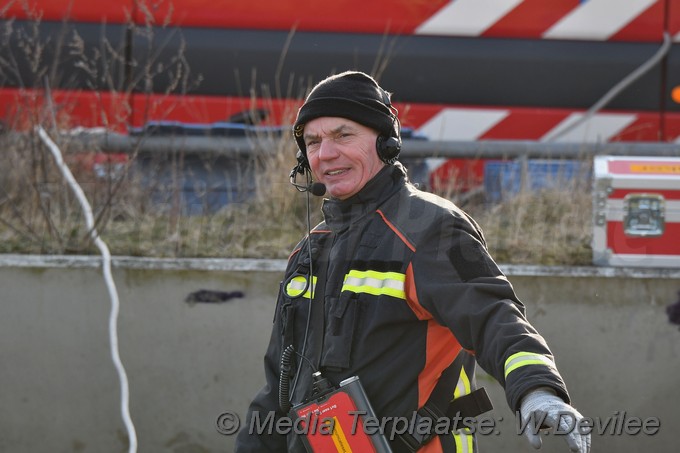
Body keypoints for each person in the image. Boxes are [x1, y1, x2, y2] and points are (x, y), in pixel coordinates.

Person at [235, 71, 591, 453]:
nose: (325, 154)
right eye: (313, 141)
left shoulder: (431, 228)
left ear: (386, 143)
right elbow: (279, 387)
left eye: (343, 135)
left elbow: (493, 315)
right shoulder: (309, 251)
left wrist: (536, 388)